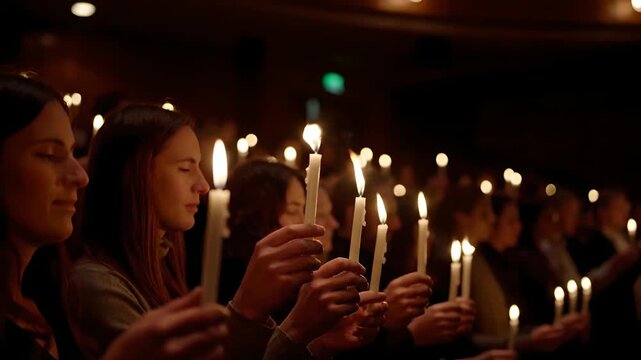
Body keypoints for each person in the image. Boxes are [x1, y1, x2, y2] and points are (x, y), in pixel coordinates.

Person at [0, 74, 228, 360]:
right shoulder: (94, 285)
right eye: (49, 154)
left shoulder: (43, 290)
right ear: (135, 175)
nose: (81, 175)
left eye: (72, 153)